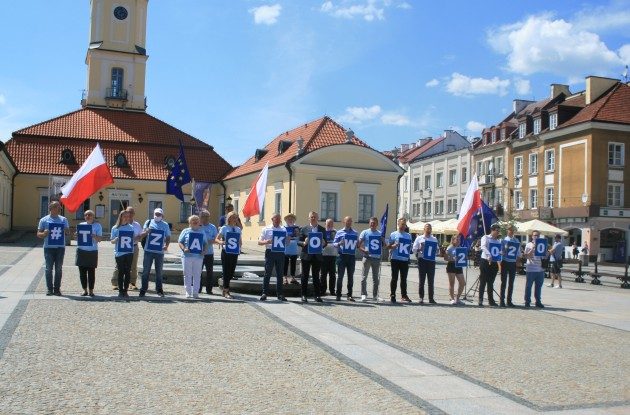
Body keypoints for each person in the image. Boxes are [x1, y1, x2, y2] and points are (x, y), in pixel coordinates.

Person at [37, 201, 70, 296]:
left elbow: (68, 233)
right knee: (48, 269)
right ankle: (49, 289)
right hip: (48, 248)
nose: (59, 208)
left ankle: (57, 289)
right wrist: (44, 234)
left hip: (60, 248)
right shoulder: (44, 220)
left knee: (59, 269)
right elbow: (38, 234)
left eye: (59, 207)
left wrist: (66, 230)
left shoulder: (64, 220)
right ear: (51, 208)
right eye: (57, 207)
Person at [139, 208, 171, 298]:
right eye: (156, 214)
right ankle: (143, 289)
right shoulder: (148, 222)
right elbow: (141, 235)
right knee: (146, 271)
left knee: (159, 272)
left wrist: (166, 245)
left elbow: (168, 237)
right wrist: (147, 231)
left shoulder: (165, 225)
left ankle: (159, 290)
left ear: (162, 216)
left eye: (159, 214)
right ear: (153, 214)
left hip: (159, 252)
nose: (157, 216)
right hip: (148, 251)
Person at [297, 211, 326, 303]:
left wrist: (324, 243)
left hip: (317, 256)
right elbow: (299, 242)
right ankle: (303, 295)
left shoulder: (322, 229)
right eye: (311, 217)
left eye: (315, 217)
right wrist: (304, 243)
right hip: (306, 256)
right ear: (309, 218)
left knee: (316, 276)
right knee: (304, 276)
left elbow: (325, 243)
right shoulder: (304, 229)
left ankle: (317, 295)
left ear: (318, 218)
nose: (313, 218)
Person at [258, 213, 288, 301]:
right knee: (267, 273)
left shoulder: (283, 229)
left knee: (280, 274)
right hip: (270, 252)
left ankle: (280, 294)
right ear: (272, 219)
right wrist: (267, 241)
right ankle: (264, 293)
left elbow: (287, 242)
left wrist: (288, 239)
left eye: (279, 219)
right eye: (276, 219)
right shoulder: (266, 229)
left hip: (280, 252)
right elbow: (259, 242)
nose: (278, 221)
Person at [111, 206, 142, 291]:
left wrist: (139, 237)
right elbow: (112, 241)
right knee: (119, 269)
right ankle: (116, 284)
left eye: (130, 214)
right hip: (120, 251)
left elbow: (137, 237)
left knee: (131, 268)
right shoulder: (115, 228)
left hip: (131, 249)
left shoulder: (133, 226)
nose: (128, 216)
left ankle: (129, 286)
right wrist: (116, 239)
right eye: (125, 215)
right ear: (121, 216)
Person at [178, 215, 209, 299]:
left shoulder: (202, 231)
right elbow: (180, 242)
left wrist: (204, 251)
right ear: (189, 222)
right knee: (187, 274)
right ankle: (188, 292)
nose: (195, 221)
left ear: (199, 222)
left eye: (197, 220)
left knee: (197, 275)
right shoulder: (185, 231)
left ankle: (195, 292)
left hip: (198, 256)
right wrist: (184, 248)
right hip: (187, 256)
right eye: (193, 220)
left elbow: (205, 243)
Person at [75, 209, 102, 297]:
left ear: (93, 217)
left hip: (92, 251)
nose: (88, 216)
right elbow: (77, 239)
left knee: (91, 272)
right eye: (86, 215)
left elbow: (99, 240)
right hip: (81, 250)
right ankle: (84, 290)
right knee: (82, 272)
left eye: (90, 215)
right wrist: (76, 235)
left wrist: (94, 236)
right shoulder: (81, 225)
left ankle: (91, 290)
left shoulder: (97, 226)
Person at [386, 217, 412, 303]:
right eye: (401, 224)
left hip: (404, 260)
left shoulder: (408, 235)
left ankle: (404, 295)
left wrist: (409, 257)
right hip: (395, 259)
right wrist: (393, 246)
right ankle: (392, 295)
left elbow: (409, 248)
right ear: (398, 224)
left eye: (404, 224)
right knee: (394, 278)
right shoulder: (393, 234)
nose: (403, 226)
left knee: (404, 278)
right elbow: (388, 246)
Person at [358, 216, 384, 302]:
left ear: (377, 224)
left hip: (376, 258)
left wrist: (385, 242)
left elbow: (385, 245)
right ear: (369, 223)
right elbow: (358, 245)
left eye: (374, 223)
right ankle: (363, 294)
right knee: (364, 277)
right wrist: (364, 250)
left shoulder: (380, 233)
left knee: (376, 278)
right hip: (367, 257)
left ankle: (375, 295)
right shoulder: (365, 232)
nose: (372, 224)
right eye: (371, 223)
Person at [216, 211, 241, 299]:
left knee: (231, 272)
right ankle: (226, 290)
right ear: (229, 218)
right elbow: (217, 239)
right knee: (226, 271)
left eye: (236, 217)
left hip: (234, 252)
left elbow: (239, 241)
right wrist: (221, 242)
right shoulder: (224, 228)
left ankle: (225, 289)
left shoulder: (238, 229)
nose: (235, 219)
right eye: (233, 217)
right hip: (226, 252)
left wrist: (240, 247)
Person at [412, 223, 438, 304]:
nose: (428, 229)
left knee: (431, 280)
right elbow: (414, 250)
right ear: (424, 229)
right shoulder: (419, 238)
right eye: (427, 228)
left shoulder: (434, 239)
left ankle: (431, 298)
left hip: (431, 261)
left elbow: (438, 251)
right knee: (422, 279)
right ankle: (421, 297)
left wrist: (436, 251)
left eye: (430, 228)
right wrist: (419, 249)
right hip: (422, 260)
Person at [333, 216, 358, 302]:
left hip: (351, 256)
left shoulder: (355, 233)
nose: (349, 223)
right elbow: (334, 244)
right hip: (342, 256)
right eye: (347, 221)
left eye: (350, 221)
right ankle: (338, 294)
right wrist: (340, 243)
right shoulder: (339, 232)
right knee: (340, 276)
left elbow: (356, 245)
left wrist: (356, 244)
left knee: (350, 277)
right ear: (344, 222)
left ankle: (349, 295)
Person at [478, 223, 501, 307]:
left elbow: (499, 251)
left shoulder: (498, 241)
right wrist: (489, 255)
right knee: (483, 281)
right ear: (492, 230)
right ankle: (480, 299)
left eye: (498, 231)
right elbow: (483, 247)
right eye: (496, 231)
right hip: (485, 261)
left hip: (494, 262)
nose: (498, 232)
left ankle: (491, 300)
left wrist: (500, 253)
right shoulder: (486, 237)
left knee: (491, 282)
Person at [524, 230, 547, 308]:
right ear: (532, 236)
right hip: (531, 268)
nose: (536, 237)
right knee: (528, 286)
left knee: (538, 287)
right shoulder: (528, 245)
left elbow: (545, 257)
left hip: (540, 269)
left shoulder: (542, 244)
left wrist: (547, 252)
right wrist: (533, 248)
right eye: (534, 235)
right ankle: (527, 301)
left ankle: (538, 301)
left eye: (537, 235)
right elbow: (526, 256)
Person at [199, 209, 218, 294]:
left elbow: (216, 239)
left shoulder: (212, 227)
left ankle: (209, 289)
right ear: (200, 217)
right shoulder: (198, 226)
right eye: (203, 216)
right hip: (199, 253)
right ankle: (198, 288)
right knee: (198, 271)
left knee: (209, 272)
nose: (205, 218)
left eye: (207, 216)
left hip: (209, 253)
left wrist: (207, 241)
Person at [500, 225, 520, 307]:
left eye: (512, 230)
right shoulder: (503, 240)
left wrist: (518, 262)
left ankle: (509, 300)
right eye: (509, 230)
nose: (511, 231)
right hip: (505, 262)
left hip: (512, 263)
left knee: (511, 283)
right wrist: (504, 249)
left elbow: (518, 253)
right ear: (507, 231)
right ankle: (502, 301)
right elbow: (500, 252)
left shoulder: (516, 240)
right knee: (503, 282)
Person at [444, 234, 466, 305]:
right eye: (457, 239)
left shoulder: (460, 247)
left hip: (459, 266)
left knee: (462, 283)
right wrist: (452, 258)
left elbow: (462, 257)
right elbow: (445, 258)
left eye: (459, 239)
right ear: (453, 240)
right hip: (451, 265)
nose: (459, 240)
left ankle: (457, 298)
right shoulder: (450, 247)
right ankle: (452, 298)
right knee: (452, 282)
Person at [321, 218, 337, 296]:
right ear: (325, 224)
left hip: (333, 255)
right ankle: (323, 290)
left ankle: (332, 290)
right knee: (323, 274)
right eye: (328, 224)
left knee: (332, 274)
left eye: (331, 224)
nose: (330, 225)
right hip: (323, 255)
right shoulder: (322, 232)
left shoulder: (336, 232)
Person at [283, 213, 300, 285]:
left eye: (292, 219)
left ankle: (293, 278)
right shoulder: (283, 228)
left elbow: (299, 239)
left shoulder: (297, 228)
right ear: (286, 220)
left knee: (293, 264)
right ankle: (284, 278)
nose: (290, 220)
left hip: (294, 249)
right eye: (289, 219)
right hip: (286, 249)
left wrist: (294, 237)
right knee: (285, 264)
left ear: (294, 220)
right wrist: (286, 238)